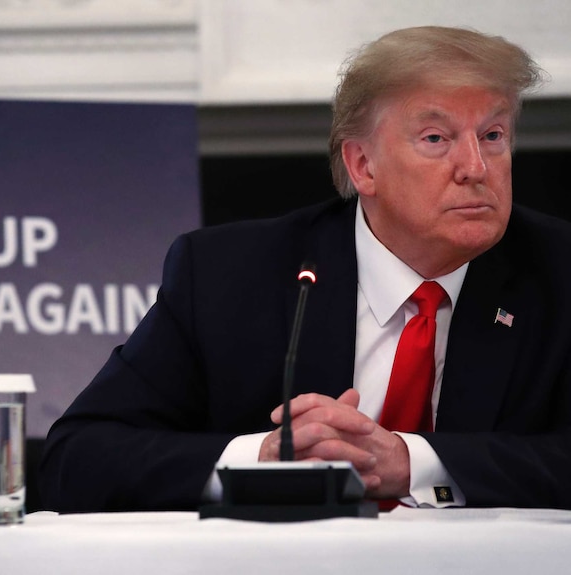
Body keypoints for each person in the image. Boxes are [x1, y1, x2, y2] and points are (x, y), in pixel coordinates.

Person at [39, 26, 571, 513]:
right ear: (363, 165)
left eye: (494, 135)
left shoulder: (558, 271)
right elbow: (77, 459)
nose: (476, 169)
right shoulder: (229, 276)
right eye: (436, 139)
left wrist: (414, 464)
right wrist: (264, 461)